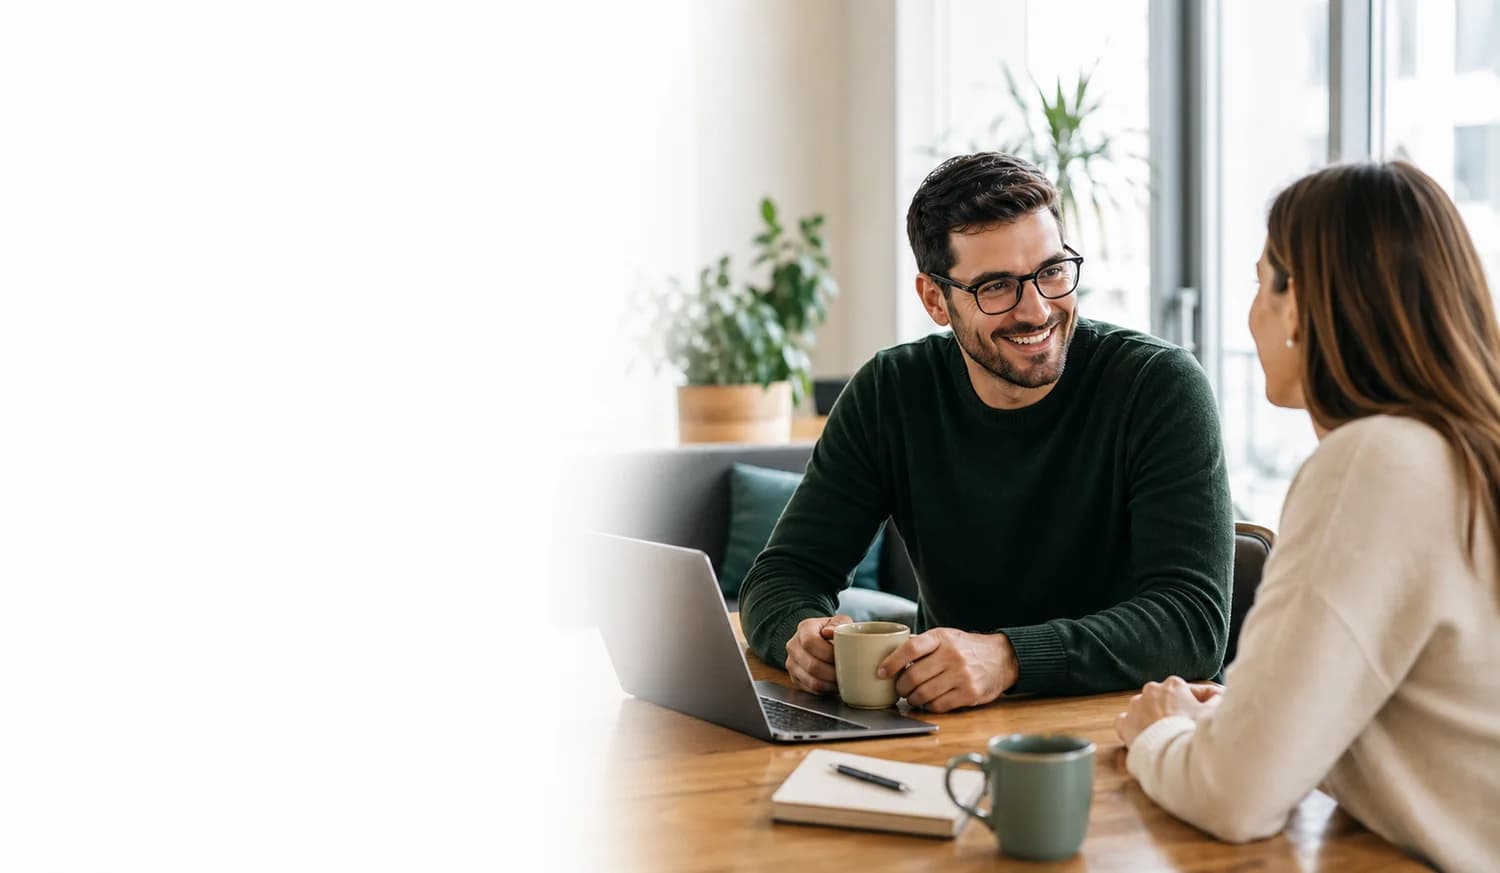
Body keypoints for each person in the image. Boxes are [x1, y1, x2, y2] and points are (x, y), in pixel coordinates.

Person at [737, 152, 1234, 711]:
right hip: (945, 730)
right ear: (935, 300)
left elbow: (1191, 624)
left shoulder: (1158, 386)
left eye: (1051, 271)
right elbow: (783, 573)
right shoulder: (891, 391)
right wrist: (800, 636)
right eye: (997, 286)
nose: (1037, 309)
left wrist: (1008, 658)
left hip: (1124, 730)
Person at [1115, 161, 1500, 871]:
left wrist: (1160, 734)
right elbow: (1431, 728)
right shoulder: (1465, 452)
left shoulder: (1375, 462)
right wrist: (1231, 721)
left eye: (1262, 281)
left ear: (1300, 306)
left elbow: (1235, 796)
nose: (1252, 311)